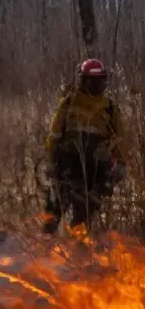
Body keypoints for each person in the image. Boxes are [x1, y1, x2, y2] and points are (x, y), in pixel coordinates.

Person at [42, 59, 127, 235]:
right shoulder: (69, 103)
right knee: (55, 206)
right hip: (67, 165)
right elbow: (55, 134)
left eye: (99, 81)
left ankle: (77, 251)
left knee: (84, 212)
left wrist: (120, 166)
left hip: (95, 170)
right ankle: (44, 247)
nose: (96, 85)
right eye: (91, 81)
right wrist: (50, 161)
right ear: (83, 80)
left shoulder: (110, 108)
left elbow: (120, 140)